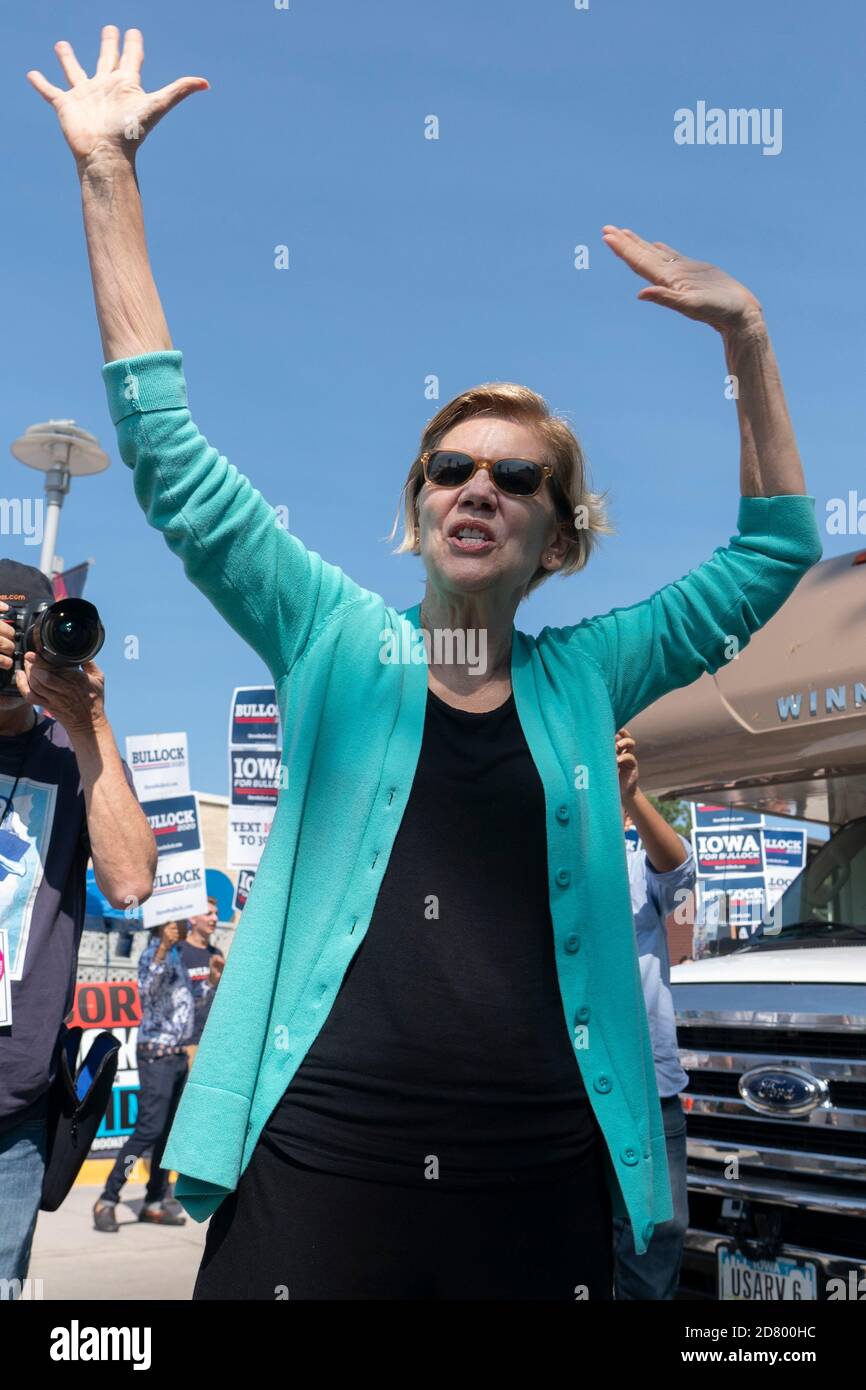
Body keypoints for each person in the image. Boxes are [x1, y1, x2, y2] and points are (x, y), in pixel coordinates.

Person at [28, 27, 822, 1300]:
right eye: (449, 467)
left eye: (516, 477)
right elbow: (169, 457)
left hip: (546, 1200)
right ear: (416, 503)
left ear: (557, 534)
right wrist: (107, 175)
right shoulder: (333, 640)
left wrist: (746, 334)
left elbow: (776, 548)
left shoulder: (590, 675)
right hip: (316, 1185)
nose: (476, 488)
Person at [0, 560, 156, 1295]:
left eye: (25, 630)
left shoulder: (72, 759)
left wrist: (91, 728)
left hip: (15, 1114)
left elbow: (129, 883)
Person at [613, 727, 695, 1300]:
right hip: (564, 1087)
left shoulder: (639, 848)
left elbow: (682, 874)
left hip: (648, 1090)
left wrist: (631, 796)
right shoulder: (545, 838)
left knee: (654, 1242)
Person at [93, 920, 194, 1231]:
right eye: (177, 921)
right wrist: (162, 946)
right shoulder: (154, 953)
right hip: (156, 1056)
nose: (184, 924)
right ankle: (107, 1198)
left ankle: (153, 1202)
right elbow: (147, 988)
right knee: (148, 1130)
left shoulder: (177, 955)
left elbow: (180, 1007)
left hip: (177, 1056)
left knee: (166, 1136)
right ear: (161, 926)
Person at [178, 897, 224, 1065]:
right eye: (208, 914)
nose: (215, 919)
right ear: (192, 918)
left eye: (216, 914)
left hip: (212, 1040)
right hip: (187, 1040)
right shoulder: (179, 951)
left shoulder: (216, 953)